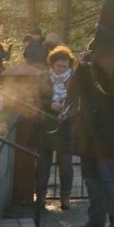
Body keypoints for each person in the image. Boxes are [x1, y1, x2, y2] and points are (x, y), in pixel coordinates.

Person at [71, 59, 114, 227]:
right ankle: (96, 220)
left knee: (108, 177)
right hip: (87, 136)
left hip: (107, 136)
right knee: (90, 178)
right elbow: (72, 90)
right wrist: (81, 68)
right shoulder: (87, 73)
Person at [37, 46, 77, 211]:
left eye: (64, 66)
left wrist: (67, 114)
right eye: (58, 66)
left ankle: (65, 197)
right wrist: (50, 104)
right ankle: (40, 197)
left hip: (65, 127)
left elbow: (77, 102)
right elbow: (36, 99)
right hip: (45, 125)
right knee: (43, 165)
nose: (61, 69)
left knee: (66, 165)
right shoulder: (42, 78)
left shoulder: (73, 80)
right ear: (52, 64)